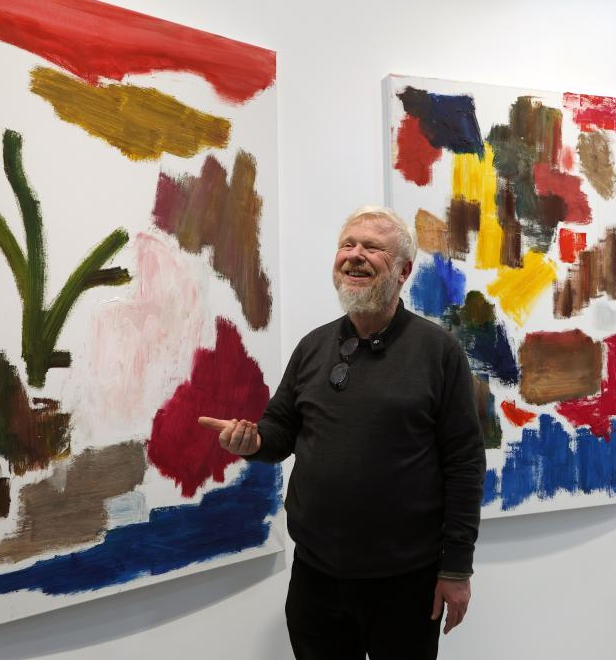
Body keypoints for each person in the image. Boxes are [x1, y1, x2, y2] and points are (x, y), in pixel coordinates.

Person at [199, 206, 485, 660]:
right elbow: (280, 429)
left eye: (372, 247)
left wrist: (456, 568)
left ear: (404, 271)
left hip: (406, 582)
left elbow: (465, 465)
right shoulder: (313, 346)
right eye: (347, 245)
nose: (355, 255)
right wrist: (253, 442)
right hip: (316, 578)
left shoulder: (439, 352)